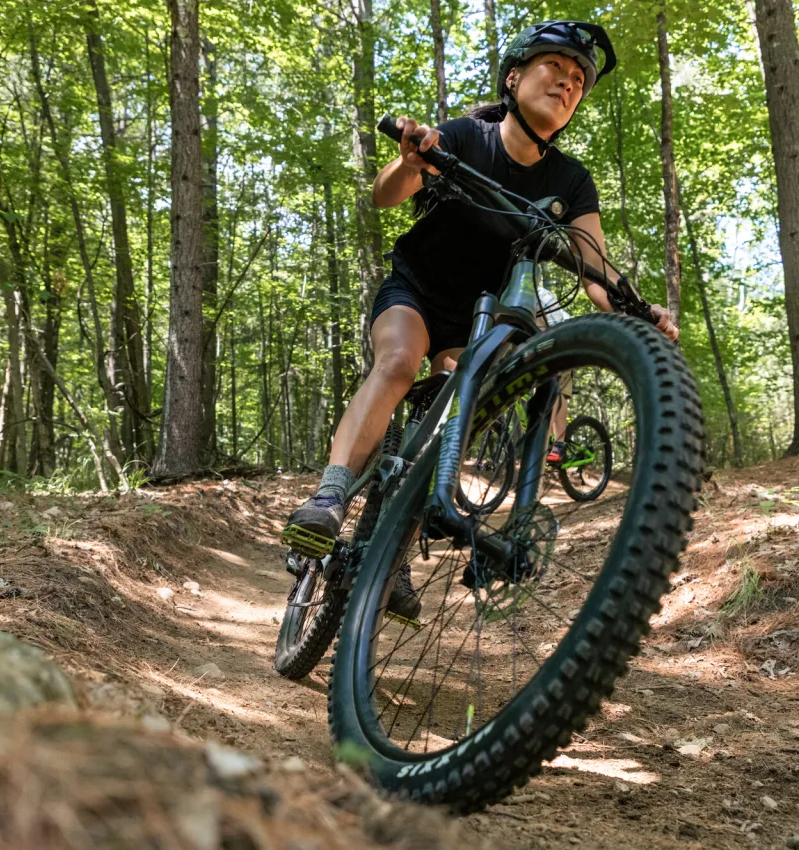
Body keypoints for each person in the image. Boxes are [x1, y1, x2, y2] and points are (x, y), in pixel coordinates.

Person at [281, 21, 679, 621]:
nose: (568, 86)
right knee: (395, 365)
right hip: (415, 293)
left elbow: (595, 268)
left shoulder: (570, 182)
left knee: (451, 423)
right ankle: (330, 499)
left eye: (578, 83)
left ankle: (388, 557)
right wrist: (411, 158)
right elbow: (386, 196)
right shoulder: (469, 135)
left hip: (478, 322)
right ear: (515, 77)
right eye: (556, 70)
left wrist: (640, 310)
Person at [536, 284, 574, 464]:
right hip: (540, 350)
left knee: (556, 389)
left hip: (565, 341)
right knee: (542, 393)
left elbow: (558, 325)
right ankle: (545, 440)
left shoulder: (540, 295)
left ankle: (559, 444)